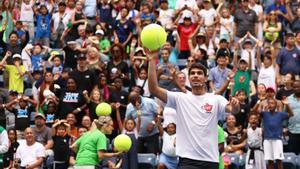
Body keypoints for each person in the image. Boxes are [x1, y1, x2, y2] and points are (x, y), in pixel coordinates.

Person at [147, 49, 240, 168]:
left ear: (206, 78)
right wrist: (151, 60)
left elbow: (233, 110)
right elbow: (154, 89)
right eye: (193, 73)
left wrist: (236, 105)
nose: (196, 75)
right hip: (187, 161)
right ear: (189, 78)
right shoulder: (180, 98)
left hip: (210, 160)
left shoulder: (215, 99)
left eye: (199, 73)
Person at [259, 98, 293, 169]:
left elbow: (291, 114)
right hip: (267, 140)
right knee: (270, 161)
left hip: (277, 140)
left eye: (272, 103)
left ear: (276, 105)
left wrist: (287, 104)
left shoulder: (280, 114)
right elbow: (257, 112)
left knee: (279, 160)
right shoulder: (264, 114)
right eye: (269, 103)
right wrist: (261, 102)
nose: (270, 105)